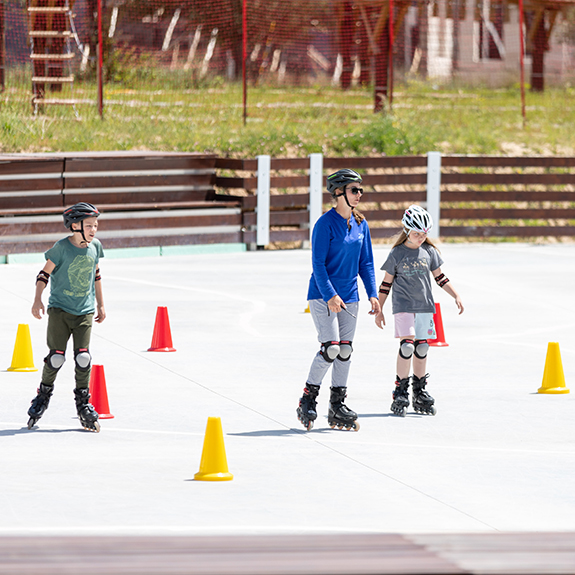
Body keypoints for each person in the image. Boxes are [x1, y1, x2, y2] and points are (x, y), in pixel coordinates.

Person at [297, 169, 381, 431]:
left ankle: (337, 405)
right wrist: (330, 294)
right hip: (323, 295)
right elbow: (318, 265)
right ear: (338, 192)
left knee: (345, 350)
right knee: (330, 348)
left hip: (350, 297)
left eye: (360, 190)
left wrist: (373, 294)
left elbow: (366, 262)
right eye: (354, 190)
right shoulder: (324, 224)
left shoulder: (361, 224)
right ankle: (307, 399)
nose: (359, 194)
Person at [375, 205, 464, 416]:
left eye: (424, 234)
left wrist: (456, 295)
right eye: (416, 233)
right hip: (403, 307)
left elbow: (441, 278)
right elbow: (386, 284)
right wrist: (379, 309)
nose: (421, 237)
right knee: (407, 346)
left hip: (425, 307)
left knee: (422, 347)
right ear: (407, 230)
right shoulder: (397, 253)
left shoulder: (430, 252)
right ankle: (400, 390)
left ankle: (419, 390)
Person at [28, 202, 105, 432]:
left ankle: (83, 403)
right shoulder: (61, 248)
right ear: (74, 226)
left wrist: (101, 304)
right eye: (89, 225)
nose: (94, 229)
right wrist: (37, 299)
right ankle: (42, 396)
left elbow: (96, 275)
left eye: (96, 225)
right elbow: (44, 274)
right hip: (60, 311)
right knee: (56, 358)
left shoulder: (95, 247)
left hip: (84, 312)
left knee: (83, 358)